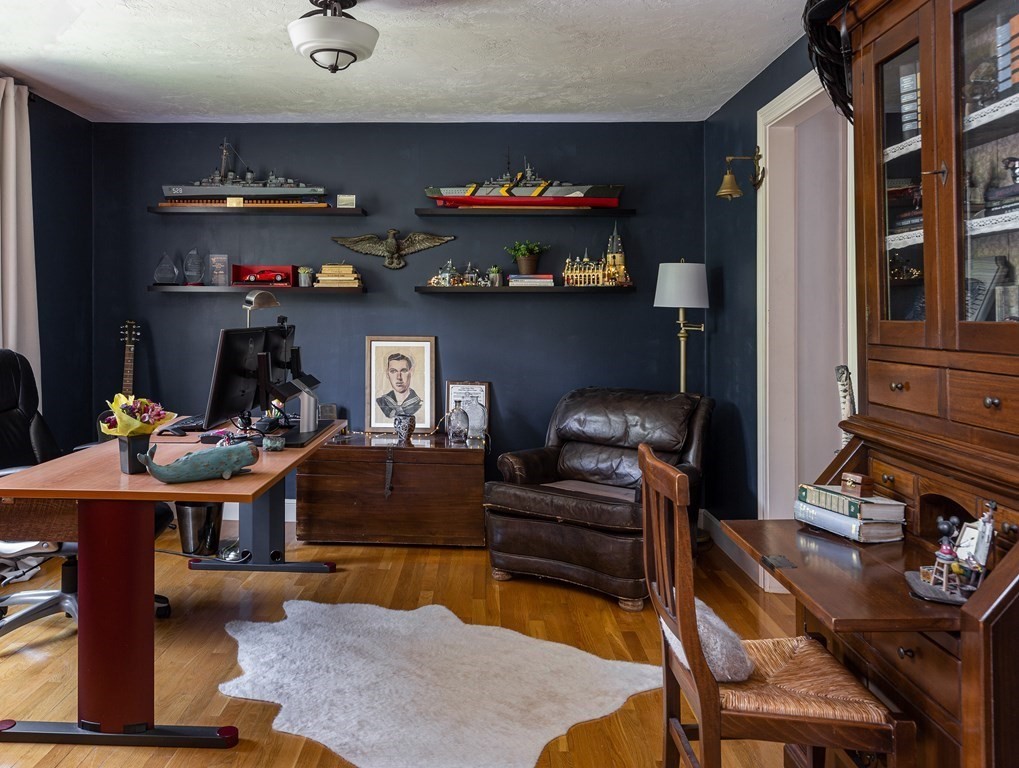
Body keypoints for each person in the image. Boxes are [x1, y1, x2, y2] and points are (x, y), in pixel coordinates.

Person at [376, 352, 422, 417]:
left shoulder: (419, 403)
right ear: (387, 374)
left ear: (411, 372)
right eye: (393, 371)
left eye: (404, 371)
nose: (399, 377)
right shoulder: (381, 402)